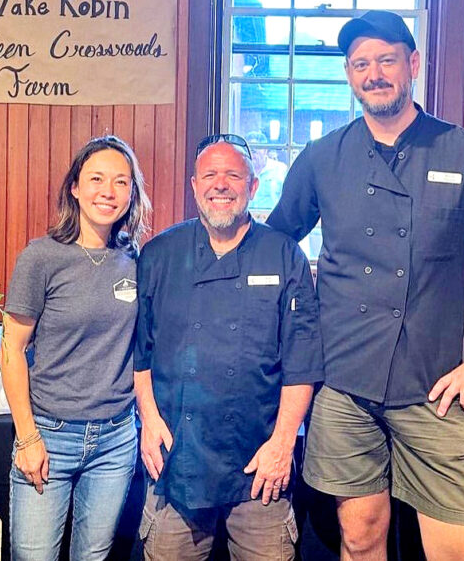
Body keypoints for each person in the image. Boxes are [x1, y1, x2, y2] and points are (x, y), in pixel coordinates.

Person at [267, 10, 464, 560]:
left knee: (458, 551)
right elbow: (274, 246)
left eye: (386, 60)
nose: (374, 73)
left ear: (412, 64)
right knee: (361, 535)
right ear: (349, 75)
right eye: (361, 64)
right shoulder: (322, 158)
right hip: (344, 386)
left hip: (433, 390)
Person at [134, 134, 323, 560]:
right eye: (211, 175)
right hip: (176, 460)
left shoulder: (283, 255)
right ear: (194, 185)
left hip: (260, 464)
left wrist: (282, 444)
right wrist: (148, 418)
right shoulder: (160, 254)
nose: (221, 185)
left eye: (233, 175)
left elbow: (302, 361)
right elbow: (141, 351)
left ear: (253, 187)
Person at [0, 135, 151, 561]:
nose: (108, 191)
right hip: (49, 433)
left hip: (117, 439)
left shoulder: (138, 259)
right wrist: (27, 436)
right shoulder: (42, 257)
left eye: (121, 182)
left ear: (132, 193)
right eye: (97, 179)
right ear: (75, 187)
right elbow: (10, 348)